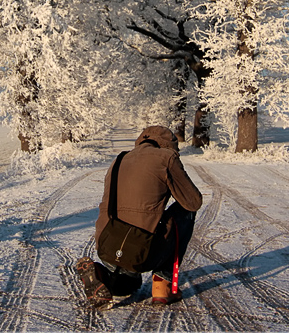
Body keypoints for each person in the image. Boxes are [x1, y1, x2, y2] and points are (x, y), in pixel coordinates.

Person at [77, 126, 202, 308]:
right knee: (186, 212)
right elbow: (193, 202)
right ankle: (163, 286)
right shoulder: (166, 158)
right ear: (169, 146)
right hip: (141, 250)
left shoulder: (119, 159)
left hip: (107, 245)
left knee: (128, 286)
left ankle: (101, 273)